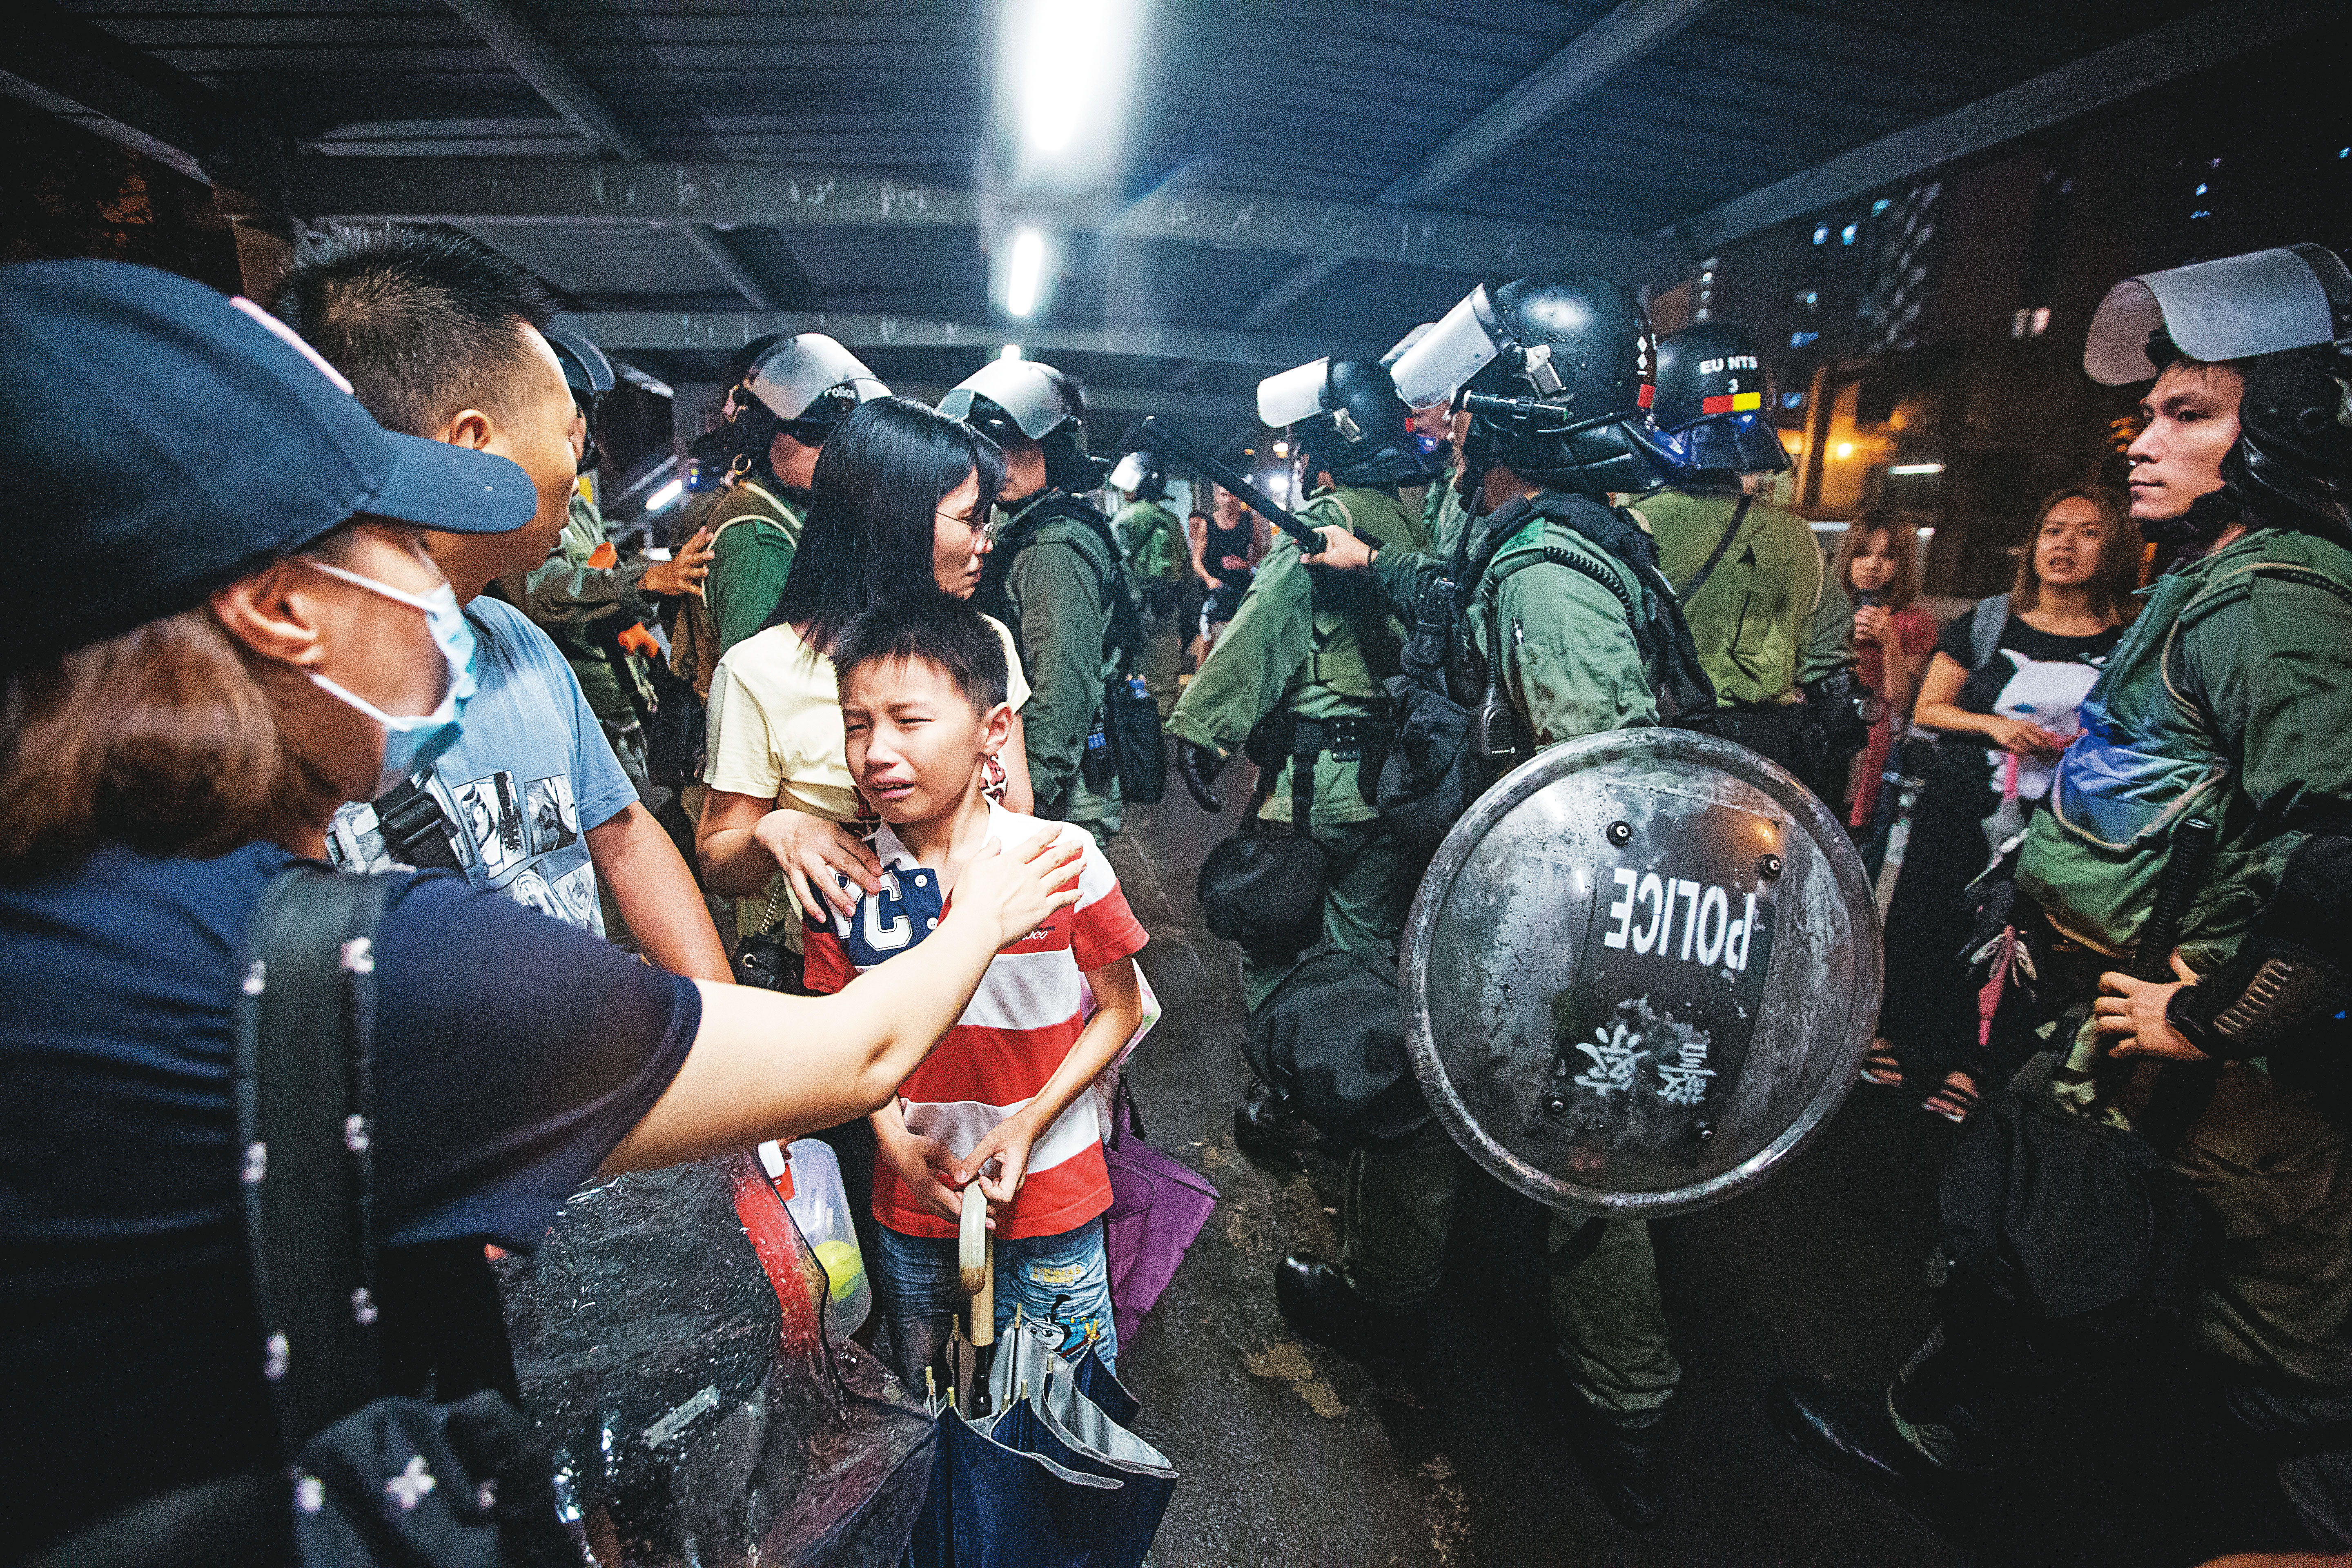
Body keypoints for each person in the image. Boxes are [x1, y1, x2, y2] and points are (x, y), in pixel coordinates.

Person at [0, 259, 1085, 1558]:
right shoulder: (370, 973)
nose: (438, 596)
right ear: (280, 610)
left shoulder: (74, 909)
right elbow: (852, 1052)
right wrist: (992, 905)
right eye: (393, 549)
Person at [1779, 244, 2352, 1552]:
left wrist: (2209, 1019)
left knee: (2249, 1361)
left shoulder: (2282, 605)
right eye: (2150, 409)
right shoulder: (2220, 578)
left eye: (2187, 412)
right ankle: (1963, 1447)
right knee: (2047, 1248)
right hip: (2129, 1042)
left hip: (2205, 1078)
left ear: (2299, 423)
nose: (2140, 437)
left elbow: (2339, 859)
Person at [1291, 276, 1719, 1528]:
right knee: (1438, 1104)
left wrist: (1574, 973)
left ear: (1518, 417)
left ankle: (1620, 1406)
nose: (1450, 427)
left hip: (1552, 930)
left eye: (1469, 408)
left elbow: (1613, 793)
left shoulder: (1544, 570)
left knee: (1589, 1153)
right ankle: (1395, 1296)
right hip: (1516, 909)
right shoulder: (1538, 535)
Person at [272, 226, 733, 984]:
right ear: (474, 446)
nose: (574, 466)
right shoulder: (277, 705)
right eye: (564, 435)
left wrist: (725, 1035)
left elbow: (624, 837)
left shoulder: (515, 637)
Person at [806, 592, 1148, 1381]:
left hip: (1055, 1191)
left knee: (1067, 1413)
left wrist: (1028, 1126)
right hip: (913, 1202)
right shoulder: (844, 876)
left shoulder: (1058, 857)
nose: (876, 751)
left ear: (993, 729)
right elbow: (837, 1034)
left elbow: (1118, 1010)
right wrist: (894, 1144)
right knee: (935, 1410)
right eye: (857, 725)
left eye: (908, 720)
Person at [1167, 356, 1445, 1149]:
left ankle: (1282, 1095)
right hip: (1395, 774)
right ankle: (1358, 1097)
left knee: (1273, 929)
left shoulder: (1326, 518)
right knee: (1364, 941)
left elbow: (1265, 622)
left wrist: (1201, 729)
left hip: (1314, 776)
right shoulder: (1420, 519)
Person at [696, 396, 1036, 949]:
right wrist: (774, 832)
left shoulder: (987, 640)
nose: (986, 543)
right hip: (843, 992)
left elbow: (1016, 806)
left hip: (983, 969)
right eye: (972, 519)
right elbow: (718, 864)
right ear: (896, 518)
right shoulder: (758, 673)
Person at [1864, 486, 2138, 1116]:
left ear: (2116, 546)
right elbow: (1930, 708)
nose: (2064, 544)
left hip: (2058, 823)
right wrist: (1995, 726)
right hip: (1961, 804)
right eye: (2052, 530)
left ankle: (1973, 1063)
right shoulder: (1990, 622)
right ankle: (1884, 1035)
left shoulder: (2128, 641)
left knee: (2019, 939)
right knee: (1922, 917)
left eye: (2087, 532)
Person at [940, 357, 1140, 844]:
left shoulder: (1054, 546)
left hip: (1058, 788)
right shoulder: (1028, 527)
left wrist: (1017, 813)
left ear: (1058, 448)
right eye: (989, 442)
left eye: (1015, 442)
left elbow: (1062, 692)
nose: (997, 459)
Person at [515, 325, 715, 786]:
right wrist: (645, 582)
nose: (583, 432)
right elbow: (540, 591)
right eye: (578, 416)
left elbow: (605, 567)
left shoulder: (576, 503)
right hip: (577, 717)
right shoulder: (523, 504)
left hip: (619, 706)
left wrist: (658, 572)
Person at [1635, 322, 1821, 772]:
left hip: (1674, 740)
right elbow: (1825, 654)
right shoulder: (1800, 536)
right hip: (1769, 748)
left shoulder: (1636, 524)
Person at [693, 333, 889, 668]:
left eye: (841, 435)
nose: (831, 450)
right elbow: (760, 680)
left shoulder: (791, 508)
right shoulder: (757, 539)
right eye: (812, 433)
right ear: (760, 433)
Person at [1837, 507, 1936, 832]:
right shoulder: (1826, 607)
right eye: (1863, 554)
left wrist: (1889, 641)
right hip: (1824, 731)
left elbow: (1902, 703)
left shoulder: (1914, 621)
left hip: (1874, 745)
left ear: (1902, 566)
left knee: (1852, 839)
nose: (1872, 566)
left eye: (1887, 557)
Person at [1109, 450, 1187, 719]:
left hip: (1131, 619)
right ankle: (1168, 756)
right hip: (1167, 615)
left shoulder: (1125, 519)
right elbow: (1186, 577)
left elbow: (1113, 570)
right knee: (1165, 692)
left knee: (1126, 688)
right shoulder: (1173, 522)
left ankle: (1139, 755)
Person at [1193, 483, 1268, 656]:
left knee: (1242, 639)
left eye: (1232, 495)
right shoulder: (1208, 525)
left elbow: (1261, 554)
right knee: (1209, 640)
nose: (1228, 500)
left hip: (1241, 588)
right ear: (1217, 498)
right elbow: (1196, 560)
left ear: (1239, 497)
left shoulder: (1250, 521)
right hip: (1216, 590)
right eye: (1224, 495)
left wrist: (1246, 565)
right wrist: (1208, 579)